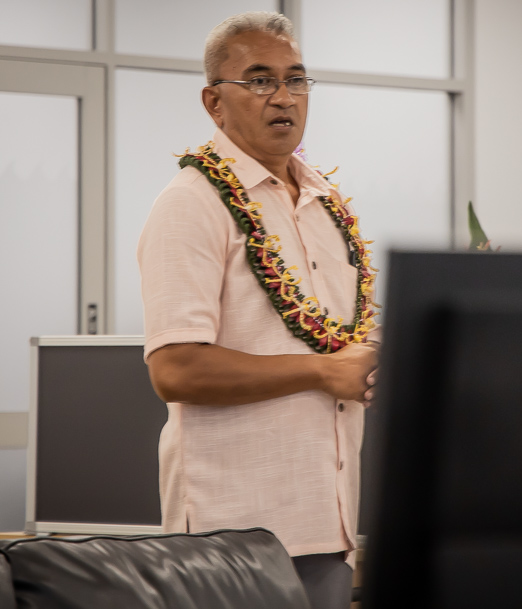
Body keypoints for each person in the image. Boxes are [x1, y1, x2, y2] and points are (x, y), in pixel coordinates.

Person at [137, 12, 378, 609]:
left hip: (329, 519)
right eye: (260, 80)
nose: (284, 97)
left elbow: (339, 341)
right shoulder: (191, 204)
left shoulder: (326, 203)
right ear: (214, 102)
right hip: (233, 533)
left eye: (296, 79)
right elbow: (176, 369)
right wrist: (323, 371)